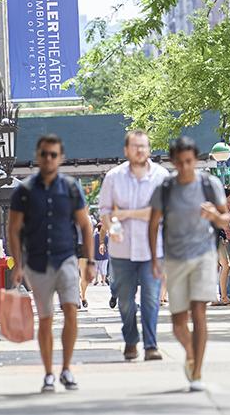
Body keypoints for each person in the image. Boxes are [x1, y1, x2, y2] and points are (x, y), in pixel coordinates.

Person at [7, 134, 96, 392]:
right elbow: (13, 229)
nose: (48, 158)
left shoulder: (70, 188)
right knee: (45, 319)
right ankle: (48, 373)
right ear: (37, 156)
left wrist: (90, 261)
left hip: (66, 259)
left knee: (70, 312)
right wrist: (18, 263)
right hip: (37, 263)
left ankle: (66, 369)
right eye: (44, 154)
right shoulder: (24, 191)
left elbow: (85, 226)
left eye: (53, 154)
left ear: (61, 158)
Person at [149, 136, 230, 391]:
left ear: (195, 160)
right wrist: (154, 258)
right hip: (175, 257)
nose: (185, 167)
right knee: (178, 321)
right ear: (173, 161)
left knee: (199, 312)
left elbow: (225, 218)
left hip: (203, 254)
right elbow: (153, 224)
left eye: (189, 161)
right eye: (180, 162)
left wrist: (215, 215)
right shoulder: (165, 188)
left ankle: (196, 374)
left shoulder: (209, 183)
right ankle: (190, 354)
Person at [98, 129, 169, 361]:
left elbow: (161, 213)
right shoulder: (113, 177)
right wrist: (115, 229)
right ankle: (130, 340)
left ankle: (151, 345)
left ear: (149, 149)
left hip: (152, 250)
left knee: (150, 299)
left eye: (144, 146)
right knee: (126, 301)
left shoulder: (161, 176)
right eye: (135, 146)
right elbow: (106, 211)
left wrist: (126, 212)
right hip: (122, 250)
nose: (140, 150)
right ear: (126, 150)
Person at [93, 222, 110, 286]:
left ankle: (96, 280)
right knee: (104, 268)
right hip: (104, 255)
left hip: (95, 255)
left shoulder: (94, 236)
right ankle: (103, 281)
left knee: (96, 269)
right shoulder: (106, 237)